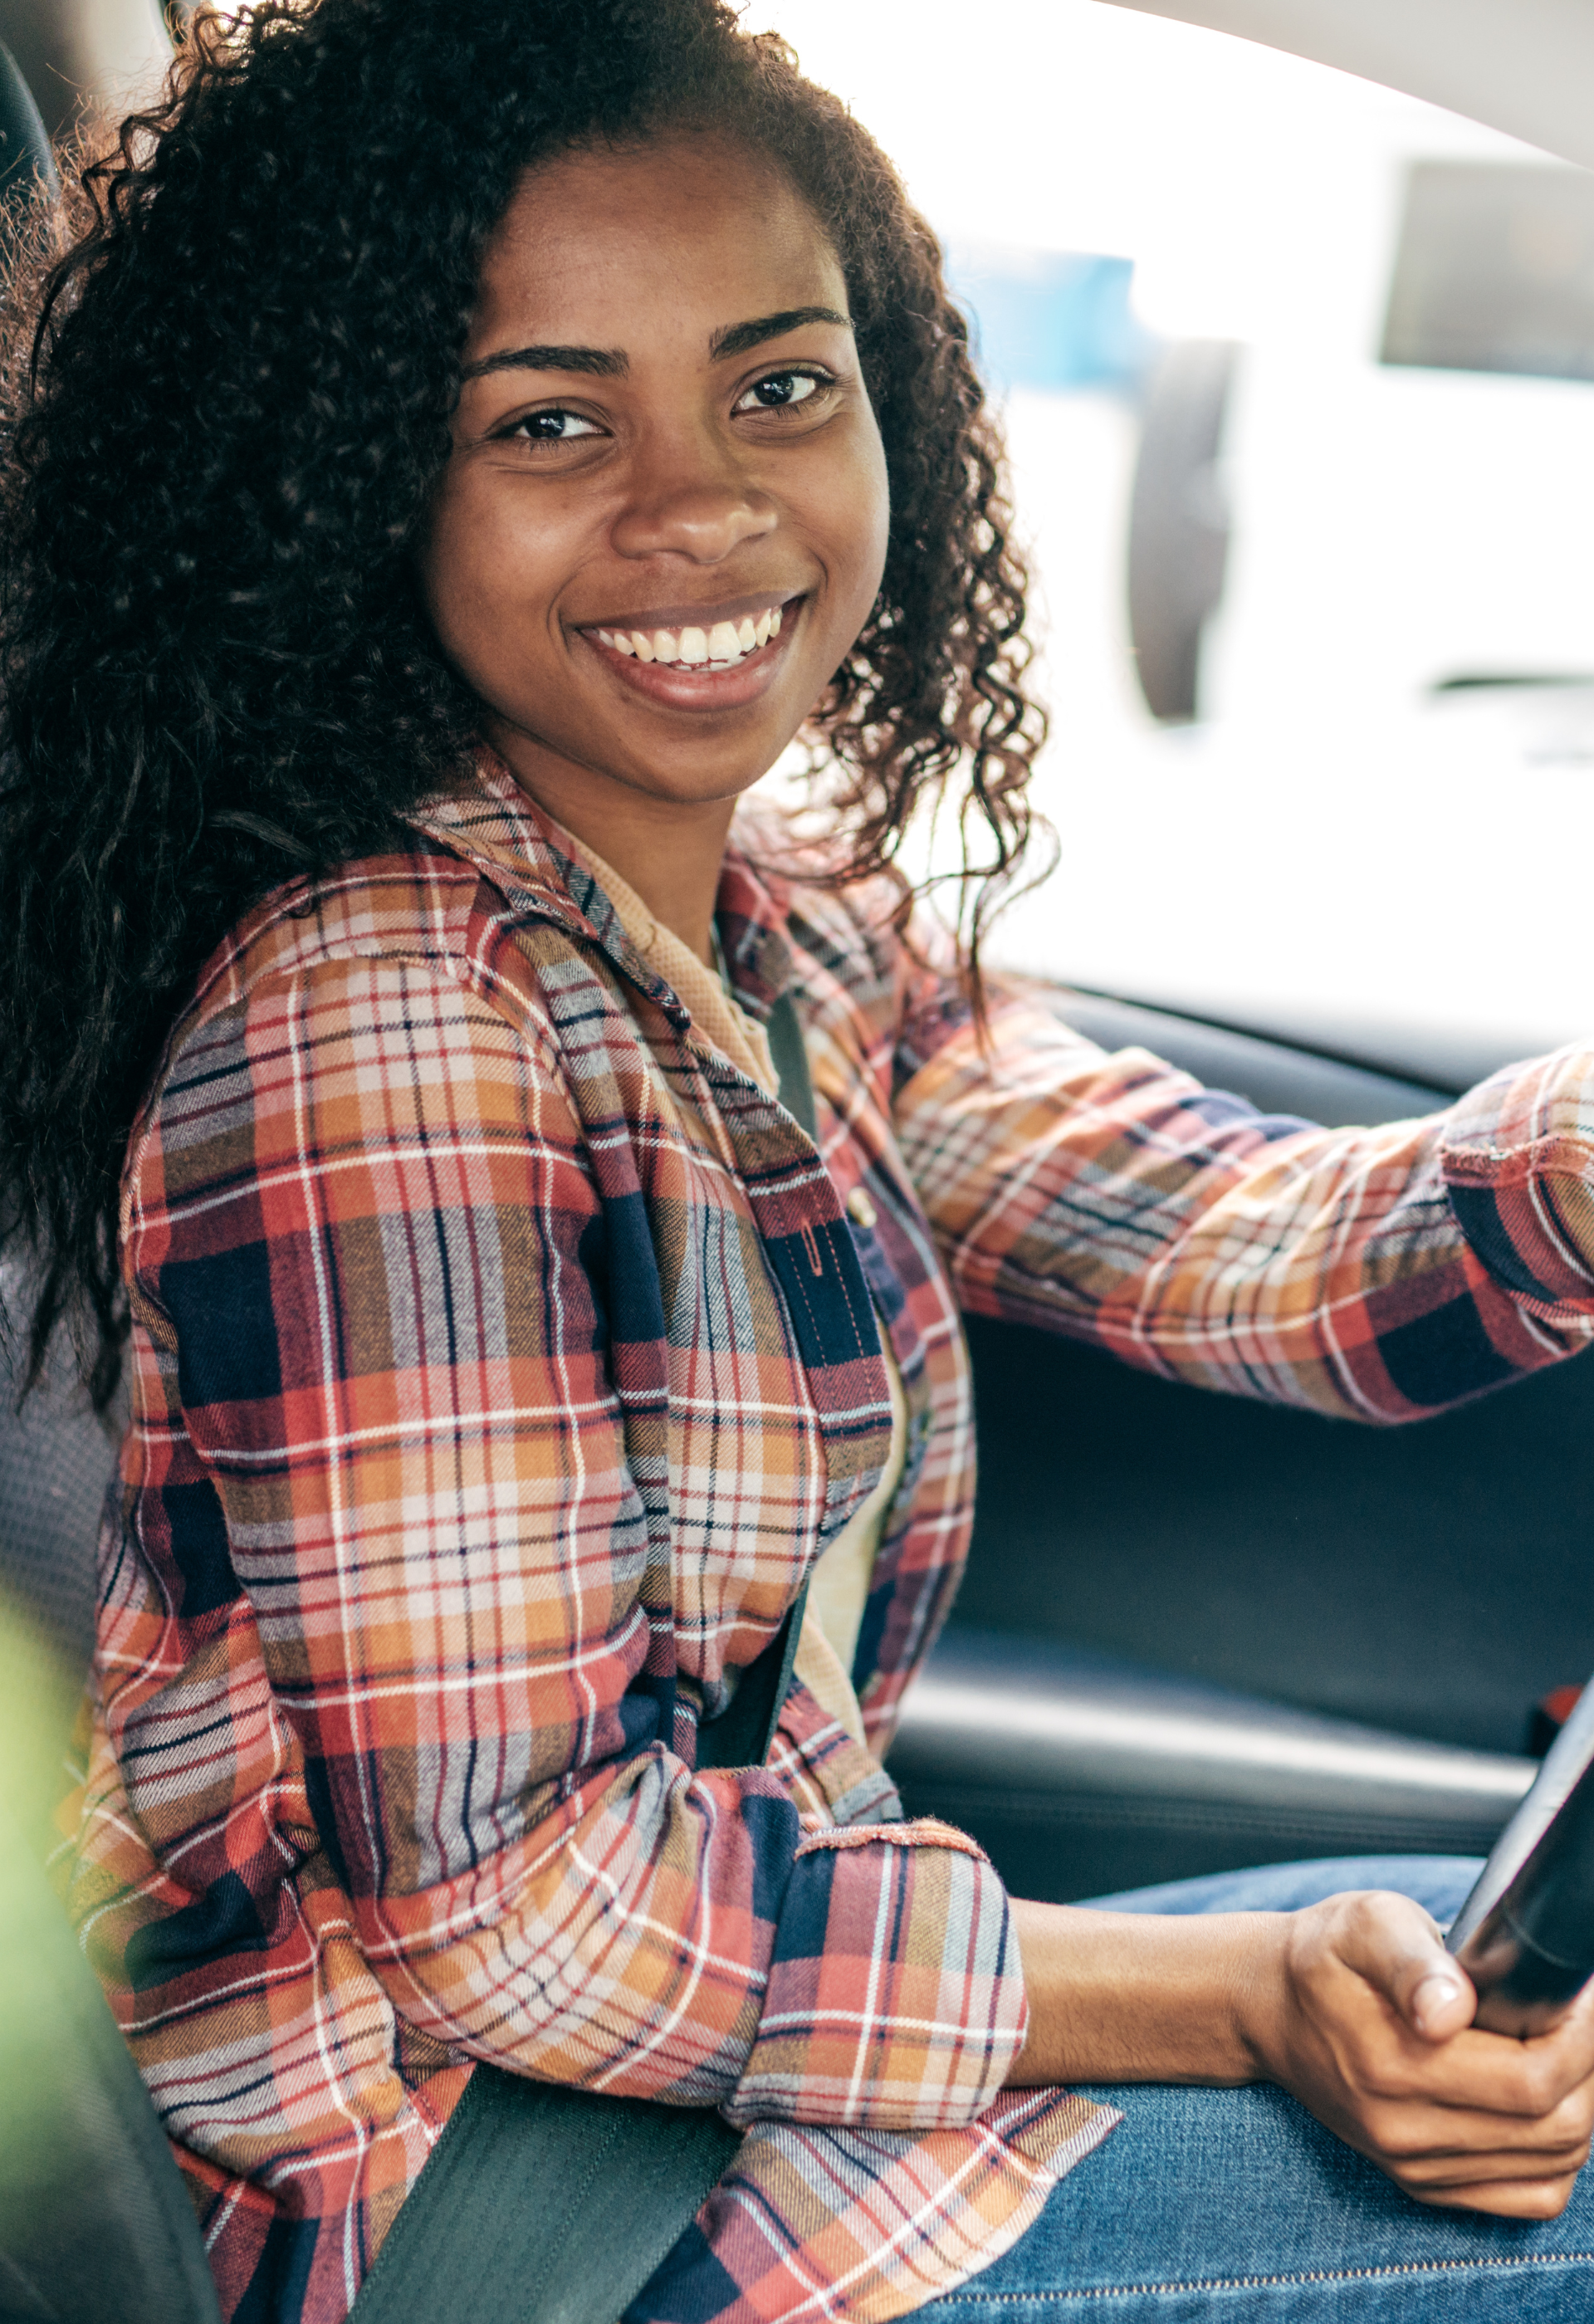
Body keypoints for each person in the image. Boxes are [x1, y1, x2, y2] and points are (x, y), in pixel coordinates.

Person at [4, 2, 1594, 2317]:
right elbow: (521, 1921)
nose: (706, 503)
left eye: (779, 384)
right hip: (488, 2225)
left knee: (1464, 1946)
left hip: (740, 2095)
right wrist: (1252, 1995)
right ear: (361, 478)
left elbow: (1255, 1247)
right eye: (552, 421)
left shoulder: (769, 922)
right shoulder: (385, 1011)